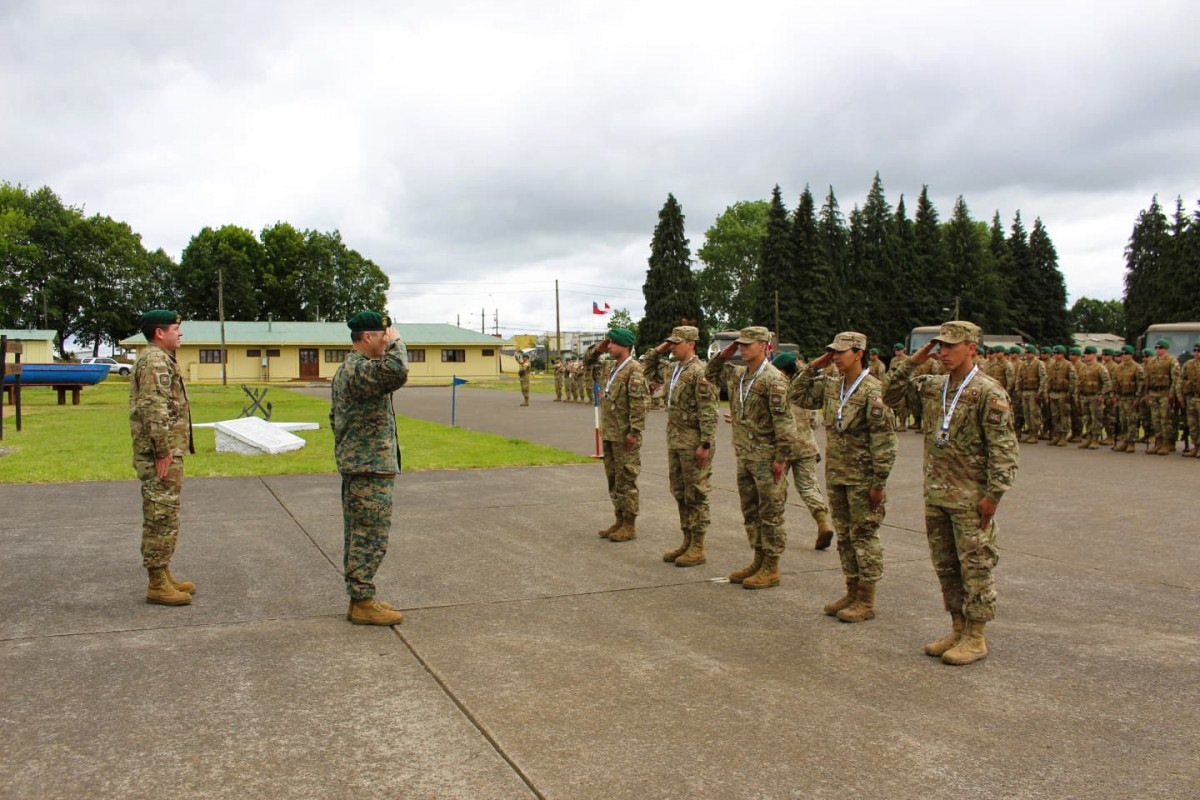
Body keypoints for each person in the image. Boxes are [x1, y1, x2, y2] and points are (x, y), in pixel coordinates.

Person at [885, 321, 1019, 665]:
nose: (943, 352)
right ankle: (957, 627)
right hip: (936, 494)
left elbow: (1004, 449)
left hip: (971, 498)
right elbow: (890, 394)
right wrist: (915, 360)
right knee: (946, 567)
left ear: (972, 348)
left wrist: (994, 494)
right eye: (939, 346)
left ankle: (976, 636)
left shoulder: (989, 391)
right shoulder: (933, 387)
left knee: (975, 566)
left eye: (951, 346)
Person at [792, 332, 897, 622]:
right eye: (833, 352)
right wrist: (813, 366)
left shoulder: (873, 391)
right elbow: (796, 394)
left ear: (859, 353)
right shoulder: (832, 386)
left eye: (841, 352)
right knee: (846, 538)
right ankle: (851, 591)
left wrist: (879, 483)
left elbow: (885, 442)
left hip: (863, 478)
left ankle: (866, 599)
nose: (836, 356)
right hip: (837, 474)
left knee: (864, 537)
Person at [331, 311, 409, 625]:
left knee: (361, 532)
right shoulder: (360, 369)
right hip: (368, 466)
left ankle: (360, 597)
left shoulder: (352, 369)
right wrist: (399, 341)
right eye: (382, 336)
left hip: (361, 463)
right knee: (369, 535)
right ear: (368, 337)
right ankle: (362, 602)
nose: (385, 340)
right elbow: (398, 371)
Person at [706, 326, 797, 589]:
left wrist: (781, 458)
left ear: (763, 346)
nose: (742, 348)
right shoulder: (741, 376)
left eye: (747, 344)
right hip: (746, 455)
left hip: (767, 459)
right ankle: (758, 559)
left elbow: (784, 423)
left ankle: (772, 566)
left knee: (771, 513)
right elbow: (709, 374)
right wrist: (724, 354)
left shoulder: (774, 379)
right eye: (740, 344)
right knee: (751, 512)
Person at [130, 310, 196, 606]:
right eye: (175, 328)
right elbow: (153, 407)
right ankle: (156, 583)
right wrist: (162, 450)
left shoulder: (161, 358)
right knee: (160, 515)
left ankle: (164, 571)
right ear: (160, 333)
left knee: (166, 514)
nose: (180, 333)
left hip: (168, 449)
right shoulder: (155, 361)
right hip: (161, 453)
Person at [644, 326, 718, 565]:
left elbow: (708, 412)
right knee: (679, 491)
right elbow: (648, 366)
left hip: (694, 442)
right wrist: (661, 348)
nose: (673, 346)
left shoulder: (700, 372)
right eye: (671, 343)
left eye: (677, 342)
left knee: (696, 493)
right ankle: (686, 540)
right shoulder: (673, 369)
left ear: (691, 344)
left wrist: (705, 443)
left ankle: (698, 545)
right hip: (675, 439)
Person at [584, 328, 647, 542]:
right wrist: (597, 350)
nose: (609, 347)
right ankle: (619, 519)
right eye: (608, 344)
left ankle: (629, 525)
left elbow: (639, 405)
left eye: (612, 343)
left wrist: (634, 432)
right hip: (610, 433)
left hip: (625, 435)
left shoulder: (634, 370)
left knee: (626, 479)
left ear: (625, 346)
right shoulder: (610, 368)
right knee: (613, 479)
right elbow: (588, 363)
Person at [773, 353, 836, 550]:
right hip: (806, 446)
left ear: (783, 371)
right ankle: (822, 523)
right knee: (809, 487)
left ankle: (774, 531)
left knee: (776, 489)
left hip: (782, 448)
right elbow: (815, 421)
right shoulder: (805, 392)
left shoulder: (777, 389)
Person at [1143, 338, 1181, 455]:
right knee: (1155, 419)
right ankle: (1158, 443)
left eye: (1161, 348)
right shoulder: (1152, 362)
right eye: (1157, 348)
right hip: (1153, 393)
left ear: (1166, 349)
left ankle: (1166, 443)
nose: (1158, 350)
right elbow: (1147, 379)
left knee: (1165, 419)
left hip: (1165, 392)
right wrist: (1147, 393)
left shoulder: (1172, 361)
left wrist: (1172, 393)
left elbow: (1175, 379)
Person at [1075, 346, 1112, 449]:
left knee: (1096, 419)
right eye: (1085, 354)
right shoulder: (1082, 367)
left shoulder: (1100, 367)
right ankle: (1089, 438)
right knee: (1087, 419)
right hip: (1084, 396)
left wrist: (1102, 395)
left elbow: (1107, 383)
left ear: (1094, 355)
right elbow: (1079, 383)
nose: (1086, 355)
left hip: (1095, 396)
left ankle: (1095, 440)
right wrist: (1077, 396)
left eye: (1089, 353)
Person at [1111, 345, 1144, 452]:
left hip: (1131, 397)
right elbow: (1114, 383)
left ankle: (1131, 443)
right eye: (1123, 354)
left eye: (1126, 354)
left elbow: (1140, 384)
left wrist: (1137, 399)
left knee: (1132, 421)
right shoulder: (1118, 368)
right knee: (1123, 420)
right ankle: (1124, 440)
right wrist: (1114, 396)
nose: (1124, 356)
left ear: (1131, 355)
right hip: (1121, 397)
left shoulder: (1137, 368)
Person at [1046, 345, 1077, 446]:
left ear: (1063, 354)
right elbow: (1048, 380)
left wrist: (1070, 393)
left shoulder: (1068, 365)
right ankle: (1057, 435)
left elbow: (1073, 380)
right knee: (1055, 416)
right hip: (1053, 393)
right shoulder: (1051, 365)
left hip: (1063, 394)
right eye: (1054, 353)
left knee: (1064, 416)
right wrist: (1047, 392)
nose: (1055, 355)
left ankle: (1064, 436)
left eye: (1058, 353)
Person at [1015, 344, 1046, 444]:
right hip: (1025, 391)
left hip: (1034, 392)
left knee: (1034, 414)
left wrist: (1040, 392)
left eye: (1029, 353)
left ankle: (1035, 434)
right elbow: (1019, 378)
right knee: (1026, 414)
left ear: (1033, 354)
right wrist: (1018, 390)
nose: (1027, 354)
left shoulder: (1038, 364)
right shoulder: (1023, 365)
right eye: (1026, 352)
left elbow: (1043, 379)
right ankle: (1030, 433)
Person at [888, 343, 910, 430]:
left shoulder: (907, 359)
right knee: (893, 404)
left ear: (903, 350)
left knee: (902, 404)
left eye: (898, 350)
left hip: (904, 384)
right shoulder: (893, 360)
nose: (897, 352)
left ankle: (902, 423)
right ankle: (893, 423)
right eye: (895, 350)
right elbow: (890, 370)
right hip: (894, 384)